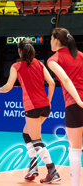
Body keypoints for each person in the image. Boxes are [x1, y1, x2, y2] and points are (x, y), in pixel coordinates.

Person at [0, 39, 61, 184]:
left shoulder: (16, 66)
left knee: (36, 140)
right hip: (45, 107)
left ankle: (52, 171)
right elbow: (52, 82)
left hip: (33, 107)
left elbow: (8, 86)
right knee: (26, 133)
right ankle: (33, 167)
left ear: (19, 51)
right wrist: (49, 100)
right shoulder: (39, 63)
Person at [47, 28, 83, 186]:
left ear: (56, 41)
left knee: (75, 149)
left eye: (50, 38)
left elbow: (66, 81)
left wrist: (79, 100)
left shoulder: (53, 60)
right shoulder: (81, 55)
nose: (49, 41)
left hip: (75, 105)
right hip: (77, 102)